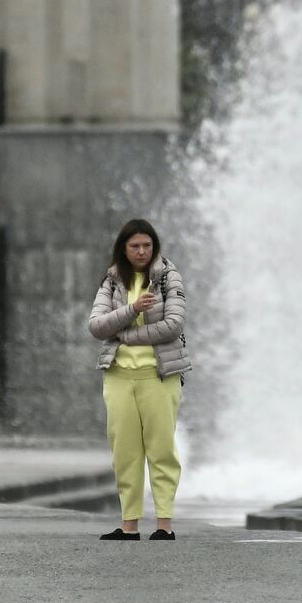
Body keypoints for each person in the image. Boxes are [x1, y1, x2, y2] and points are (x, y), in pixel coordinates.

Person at [88, 219, 190, 541]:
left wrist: (126, 335)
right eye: (135, 246)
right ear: (124, 248)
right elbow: (97, 326)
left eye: (147, 245)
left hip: (158, 376)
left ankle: (164, 524)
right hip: (119, 376)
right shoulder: (112, 280)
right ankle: (129, 524)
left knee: (161, 449)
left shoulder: (168, 277)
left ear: (154, 246)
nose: (142, 251)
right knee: (125, 450)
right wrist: (132, 309)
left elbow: (173, 324)